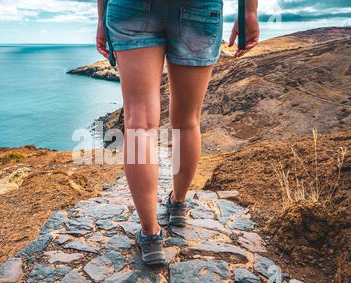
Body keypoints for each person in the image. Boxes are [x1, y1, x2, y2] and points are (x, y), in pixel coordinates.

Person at [96, 0, 260, 265]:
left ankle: (150, 235)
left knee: (138, 124)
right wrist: (249, 12)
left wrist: (102, 17)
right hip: (198, 8)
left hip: (130, 8)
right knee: (187, 121)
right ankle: (179, 203)